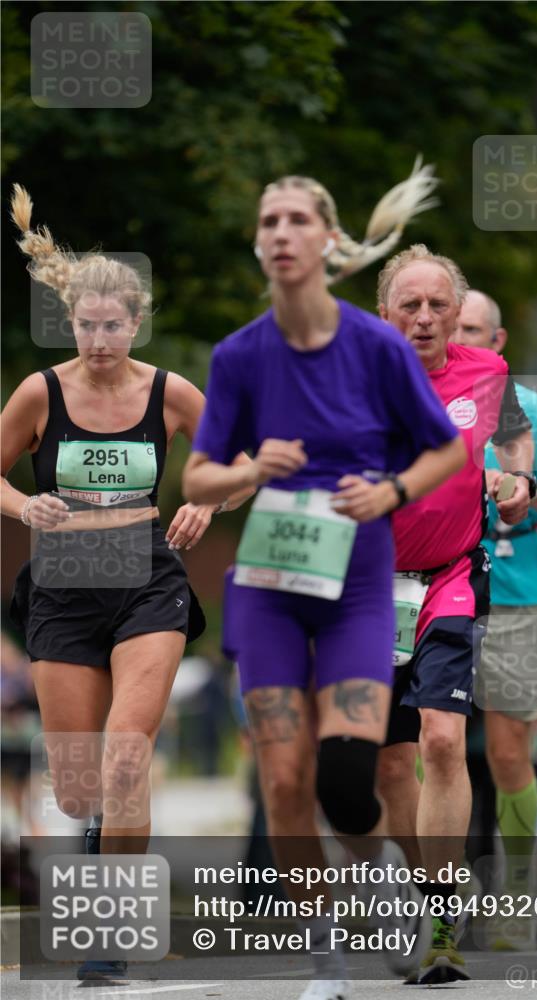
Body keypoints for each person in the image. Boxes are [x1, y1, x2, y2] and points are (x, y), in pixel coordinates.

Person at [183, 169, 466, 1000]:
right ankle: (325, 961)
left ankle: (379, 879)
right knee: (281, 777)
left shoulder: (374, 347)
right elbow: (196, 478)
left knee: (348, 776)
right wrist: (246, 465)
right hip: (271, 583)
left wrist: (392, 491)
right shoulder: (239, 356)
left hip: (357, 585)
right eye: (266, 218)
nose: (279, 231)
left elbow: (442, 449)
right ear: (259, 243)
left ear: (325, 241)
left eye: (296, 218)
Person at [1, 185, 249, 984]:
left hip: (147, 576)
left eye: (114, 324)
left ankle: (107, 929)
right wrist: (23, 501)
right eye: (86, 324)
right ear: (69, 322)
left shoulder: (169, 392)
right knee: (78, 785)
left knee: (125, 759)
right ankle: (94, 834)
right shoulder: (41, 392)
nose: (100, 338)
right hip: (64, 581)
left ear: (135, 324)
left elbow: (236, 471)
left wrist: (203, 505)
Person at [374, 245, 535, 984]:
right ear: (385, 314)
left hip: (452, 576)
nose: (425, 318)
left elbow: (509, 439)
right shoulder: (352, 379)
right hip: (368, 585)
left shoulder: (487, 373)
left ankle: (440, 922)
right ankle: (426, 890)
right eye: (410, 305)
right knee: (387, 765)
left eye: (439, 305)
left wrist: (518, 477)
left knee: (442, 740)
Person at [452, 289, 537, 949]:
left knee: (508, 752)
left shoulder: (527, 409)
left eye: (474, 330)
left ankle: (515, 896)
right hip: (430, 593)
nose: (463, 341)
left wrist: (526, 488)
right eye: (454, 330)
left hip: (514, 598)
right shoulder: (421, 404)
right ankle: (437, 894)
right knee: (430, 748)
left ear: (498, 341)